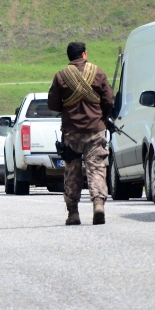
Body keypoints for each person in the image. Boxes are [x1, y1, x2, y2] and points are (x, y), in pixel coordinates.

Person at [47, 42, 114, 225]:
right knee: (96, 168)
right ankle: (98, 204)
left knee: (72, 171)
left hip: (72, 132)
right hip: (95, 130)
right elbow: (109, 100)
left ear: (69, 56)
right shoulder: (97, 72)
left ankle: (73, 213)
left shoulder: (61, 76)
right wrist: (102, 116)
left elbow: (52, 104)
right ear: (84, 54)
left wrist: (68, 109)